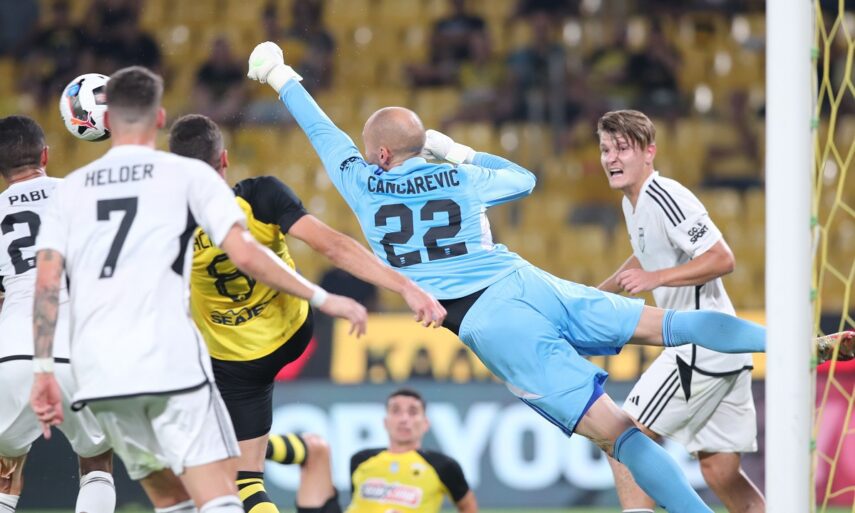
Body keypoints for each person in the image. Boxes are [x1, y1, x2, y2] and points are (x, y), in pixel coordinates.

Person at [245, 41, 853, 512]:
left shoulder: (361, 181)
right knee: (670, 324)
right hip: (528, 281)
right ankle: (796, 344)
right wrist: (452, 150)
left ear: (379, 154)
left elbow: (321, 130)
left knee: (621, 436)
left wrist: (279, 75)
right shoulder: (460, 177)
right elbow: (523, 180)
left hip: (489, 321)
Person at [27, 66, 369, 513]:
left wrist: (43, 370)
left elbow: (47, 282)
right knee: (228, 490)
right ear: (159, 118)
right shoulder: (182, 177)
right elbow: (246, 255)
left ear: (104, 123)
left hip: (100, 371)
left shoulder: (69, 190)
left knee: (167, 499)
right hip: (169, 364)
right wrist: (323, 298)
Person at [166, 113, 446, 513]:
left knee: (243, 480)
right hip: (295, 331)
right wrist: (404, 286)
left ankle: (244, 448)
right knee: (234, 449)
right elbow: (331, 244)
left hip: (236, 362)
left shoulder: (167, 228)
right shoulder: (261, 195)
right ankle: (304, 449)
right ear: (224, 159)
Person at [596, 109, 763, 513]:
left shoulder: (666, 196)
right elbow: (646, 254)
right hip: (726, 350)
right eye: (605, 150)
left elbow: (721, 258)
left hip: (700, 346)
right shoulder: (633, 204)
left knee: (623, 440)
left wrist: (657, 279)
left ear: (649, 152)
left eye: (622, 149)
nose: (611, 159)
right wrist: (593, 296)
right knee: (721, 473)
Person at [0, 116, 115, 513]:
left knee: (5, 470)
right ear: (45, 155)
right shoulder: (83, 195)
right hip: (77, 347)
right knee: (97, 462)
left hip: (12, 351)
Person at [265, 389, 477, 513]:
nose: (404, 419)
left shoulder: (443, 466)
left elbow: (468, 506)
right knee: (316, 446)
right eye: (396, 411)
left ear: (426, 423)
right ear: (385, 421)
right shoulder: (362, 459)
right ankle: (253, 448)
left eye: (413, 412)